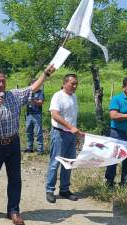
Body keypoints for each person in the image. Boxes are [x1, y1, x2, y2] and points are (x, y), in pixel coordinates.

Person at [0, 64, 56, 224]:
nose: (1, 84)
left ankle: (13, 211)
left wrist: (45, 74)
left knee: (15, 179)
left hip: (13, 143)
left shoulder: (14, 95)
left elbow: (32, 88)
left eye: (3, 81)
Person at [46, 74, 80, 204]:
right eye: (72, 84)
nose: (75, 86)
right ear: (64, 83)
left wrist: (74, 132)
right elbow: (55, 115)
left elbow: (72, 116)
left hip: (71, 135)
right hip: (59, 134)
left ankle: (64, 189)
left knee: (69, 163)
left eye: (76, 84)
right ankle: (49, 190)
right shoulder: (58, 96)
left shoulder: (74, 97)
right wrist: (71, 127)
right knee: (55, 164)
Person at [24, 78, 46, 155]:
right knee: (28, 132)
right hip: (28, 114)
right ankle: (29, 147)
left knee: (38, 132)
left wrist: (32, 100)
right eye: (33, 83)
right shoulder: (28, 93)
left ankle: (40, 148)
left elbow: (41, 102)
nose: (34, 85)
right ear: (30, 84)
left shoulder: (40, 92)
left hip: (37, 114)